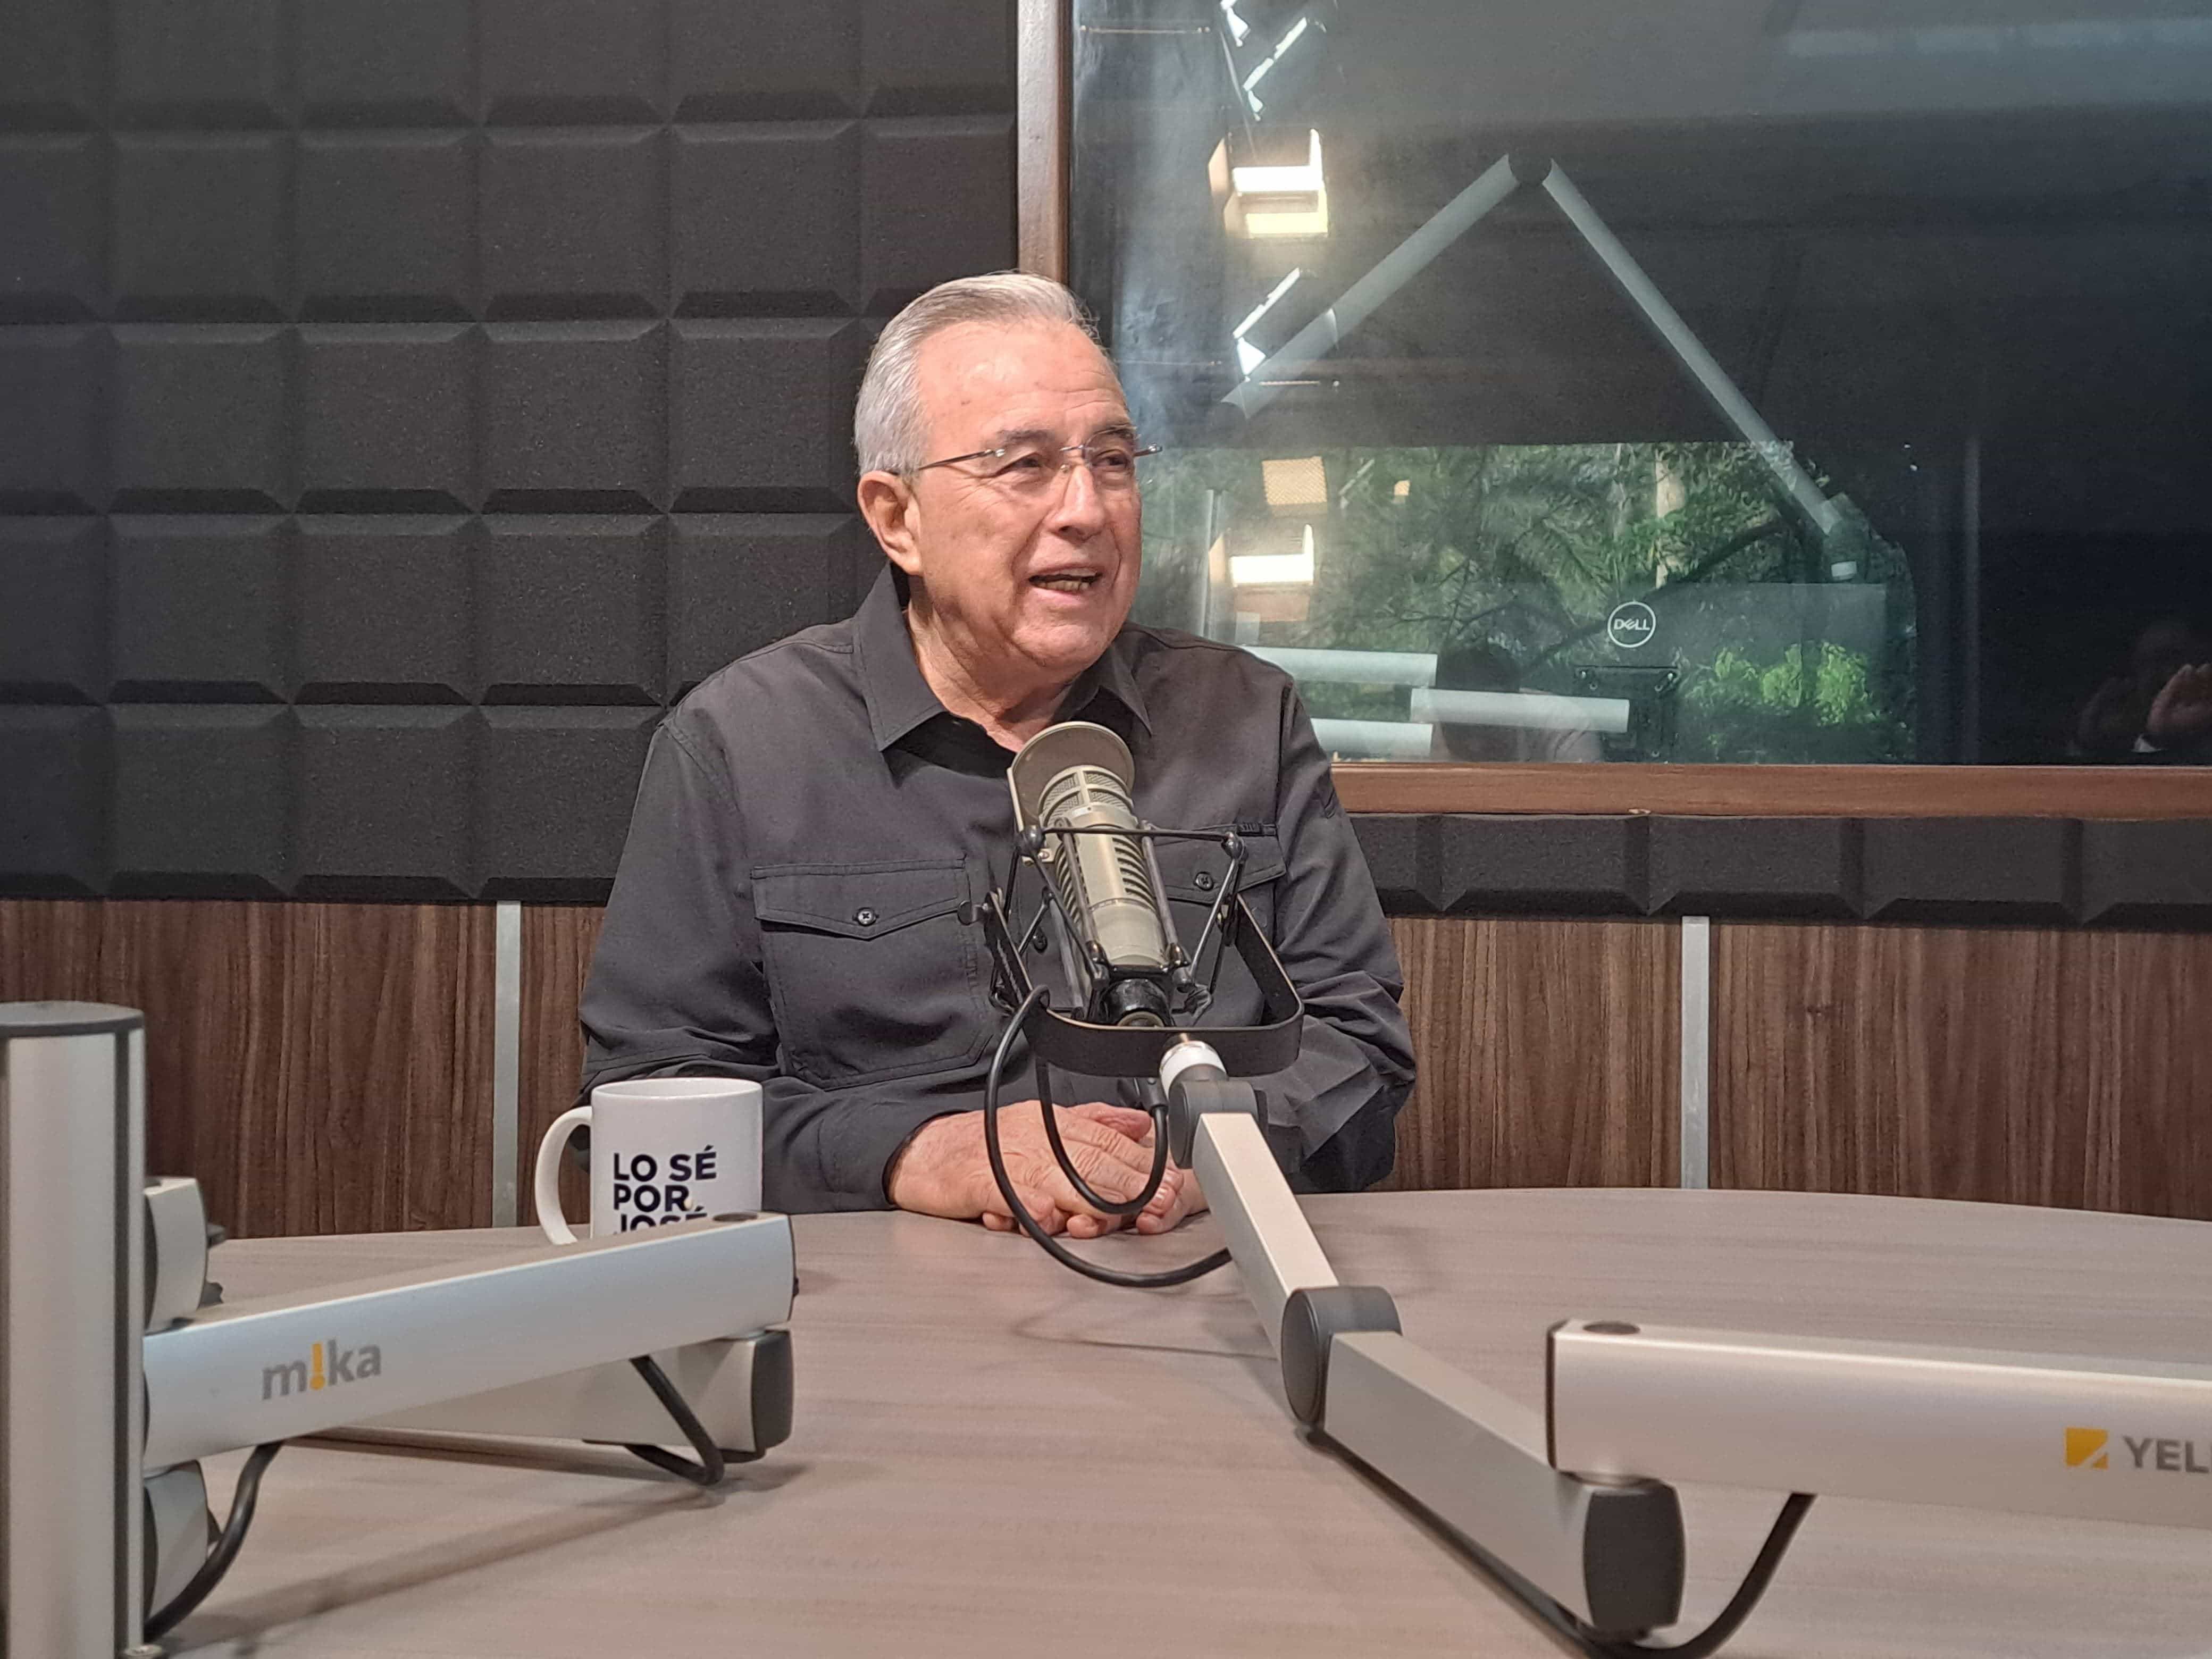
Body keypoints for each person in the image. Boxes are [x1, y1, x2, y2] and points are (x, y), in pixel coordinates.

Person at [579, 273, 1414, 1238]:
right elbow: (646, 1097)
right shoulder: (741, 743)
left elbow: (1358, 1051)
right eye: (1025, 466)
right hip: (883, 1299)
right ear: (898, 518)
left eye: (1113, 461)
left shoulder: (1247, 719)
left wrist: (1204, 1158)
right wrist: (914, 1153)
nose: (1087, 509)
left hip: (1191, 1268)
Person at [1427, 641, 1603, 763]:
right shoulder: (1418, 731)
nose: (1476, 745)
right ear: (1438, 710)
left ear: (1516, 704)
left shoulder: (1564, 729)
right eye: (1460, 730)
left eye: (1487, 726)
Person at [2071, 616, 2212, 763]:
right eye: (2144, 662)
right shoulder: (2115, 735)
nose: (2153, 674)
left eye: (2169, 659)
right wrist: (2086, 742)